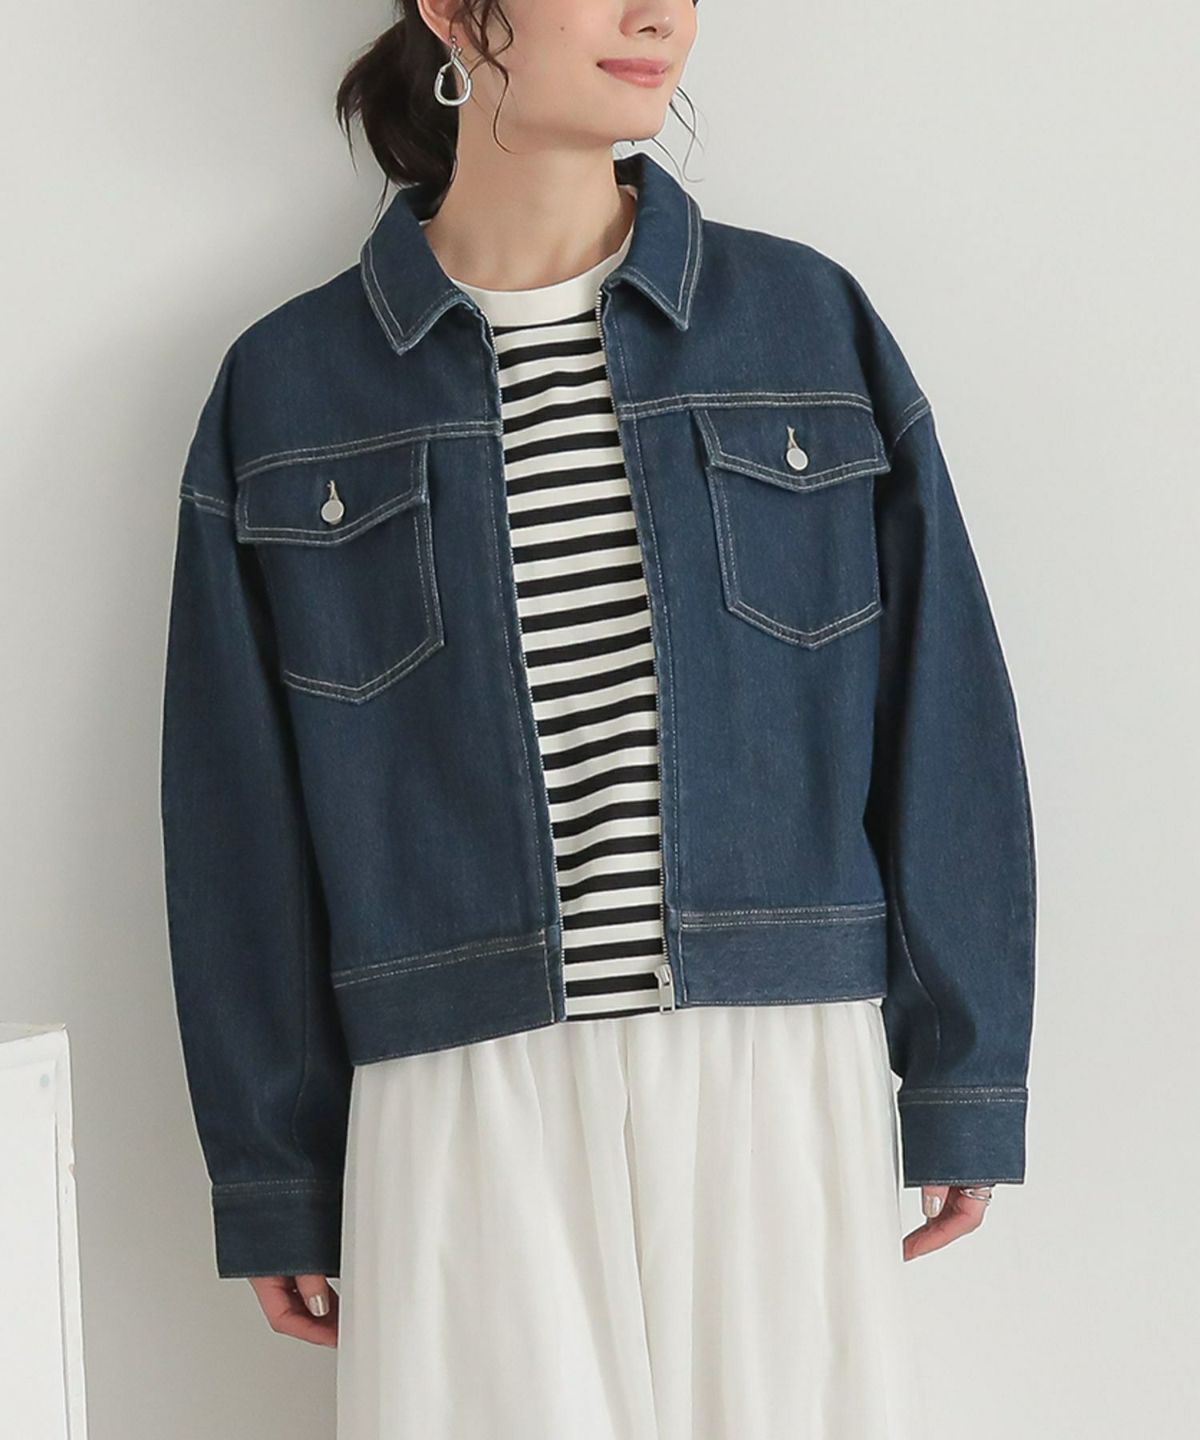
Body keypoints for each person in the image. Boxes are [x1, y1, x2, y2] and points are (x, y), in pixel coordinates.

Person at [159, 3, 1036, 1436]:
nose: (658, 14)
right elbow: (234, 818)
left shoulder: (804, 324)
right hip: (459, 1088)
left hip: (774, 1065)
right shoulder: (290, 387)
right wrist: (273, 1165)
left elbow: (943, 711)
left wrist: (967, 1069)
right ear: (454, 9)